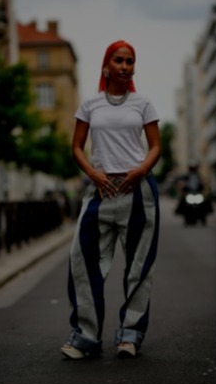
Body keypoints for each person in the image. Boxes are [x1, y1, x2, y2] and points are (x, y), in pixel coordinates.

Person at [61, 40, 161, 359]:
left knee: (138, 266)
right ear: (106, 65)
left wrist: (140, 170)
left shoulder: (143, 104)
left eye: (129, 61)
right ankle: (87, 336)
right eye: (118, 60)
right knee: (82, 260)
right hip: (100, 191)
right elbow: (77, 146)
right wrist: (93, 173)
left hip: (138, 191)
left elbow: (155, 146)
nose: (124, 66)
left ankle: (130, 335)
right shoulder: (90, 106)